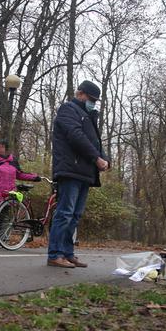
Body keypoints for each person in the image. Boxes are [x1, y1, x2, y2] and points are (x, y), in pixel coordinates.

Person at [48, 80, 110, 268]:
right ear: (80, 94)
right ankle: (55, 254)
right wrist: (96, 158)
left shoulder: (89, 116)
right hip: (70, 169)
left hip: (85, 171)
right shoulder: (68, 110)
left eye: (95, 100)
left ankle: (68, 253)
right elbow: (76, 136)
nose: (93, 102)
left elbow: (95, 142)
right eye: (90, 99)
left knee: (75, 215)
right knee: (65, 213)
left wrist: (105, 159)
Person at [0, 138, 40, 247]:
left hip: (8, 194)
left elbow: (20, 174)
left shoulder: (13, 161)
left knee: (5, 217)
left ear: (6, 149)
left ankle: (1, 239)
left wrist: (34, 177)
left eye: (0, 146)